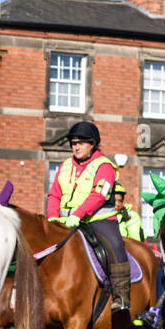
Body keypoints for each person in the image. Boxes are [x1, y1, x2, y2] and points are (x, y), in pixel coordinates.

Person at [46, 121, 130, 312]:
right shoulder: (65, 165)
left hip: (98, 221)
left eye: (81, 142)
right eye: (73, 143)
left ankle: (121, 296)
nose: (76, 146)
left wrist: (77, 214)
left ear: (93, 144)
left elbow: (99, 195)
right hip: (64, 221)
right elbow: (54, 194)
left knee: (116, 245)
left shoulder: (105, 166)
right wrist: (52, 217)